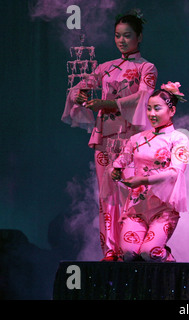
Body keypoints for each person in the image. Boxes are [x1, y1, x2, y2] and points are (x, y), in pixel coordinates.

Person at [61, 10, 158, 261]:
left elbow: (144, 97)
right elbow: (78, 88)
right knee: (106, 195)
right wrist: (81, 96)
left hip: (132, 137)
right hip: (104, 137)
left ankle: (132, 245)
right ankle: (110, 250)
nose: (122, 41)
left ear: (139, 37)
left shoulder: (146, 67)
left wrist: (109, 104)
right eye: (118, 36)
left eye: (127, 36)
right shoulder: (105, 68)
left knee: (129, 191)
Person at [110, 82, 189, 262]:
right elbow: (120, 161)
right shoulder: (137, 138)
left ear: (172, 111)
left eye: (157, 109)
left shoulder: (179, 139)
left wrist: (142, 180)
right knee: (129, 254)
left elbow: (174, 173)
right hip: (137, 207)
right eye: (149, 109)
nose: (152, 114)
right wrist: (115, 171)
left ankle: (168, 259)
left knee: (150, 253)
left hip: (163, 208)